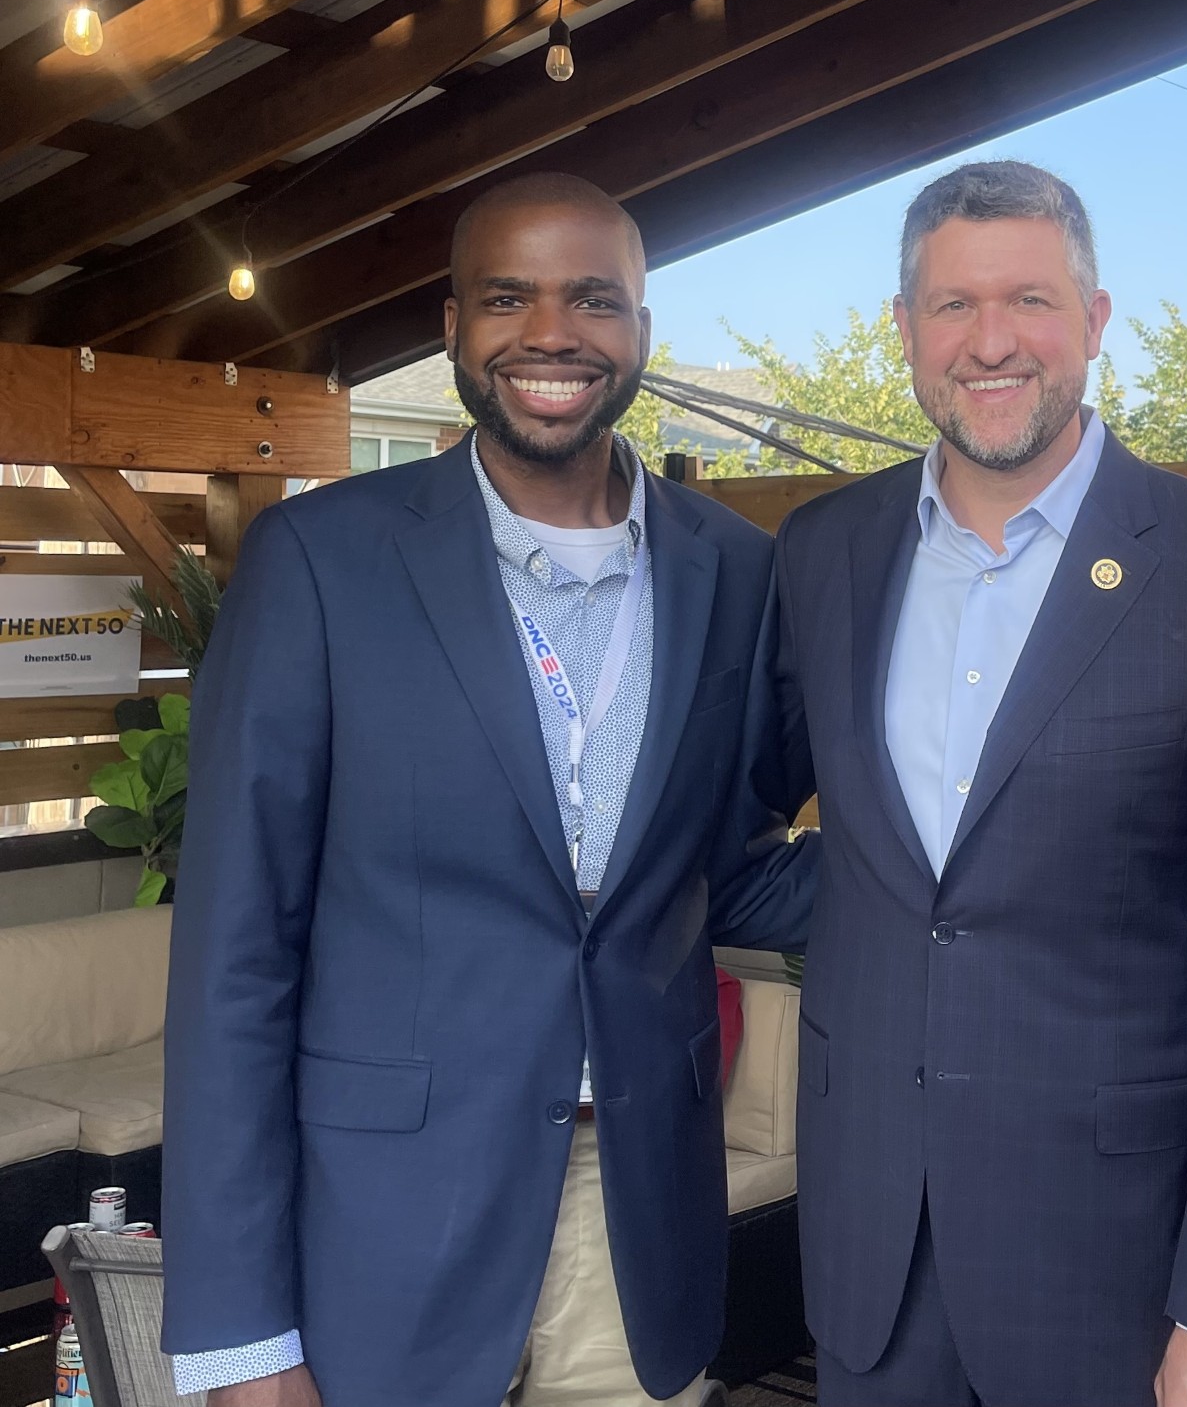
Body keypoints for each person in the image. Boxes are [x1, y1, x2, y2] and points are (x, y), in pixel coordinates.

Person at [161, 173, 815, 1407]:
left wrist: (971, 876)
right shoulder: (320, 562)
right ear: (455, 325)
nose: (551, 334)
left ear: (640, 330)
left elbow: (727, 862)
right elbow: (234, 956)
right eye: (509, 299)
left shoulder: (737, 568)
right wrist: (243, 1333)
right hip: (380, 1226)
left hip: (635, 1222)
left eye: (594, 300)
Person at [772, 160, 1187, 1407]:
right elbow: (744, 819)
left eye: (1030, 301)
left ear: (1094, 321)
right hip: (872, 1249)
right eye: (953, 304)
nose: (990, 341)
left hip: (1111, 1268)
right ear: (904, 329)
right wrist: (856, 913)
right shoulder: (825, 551)